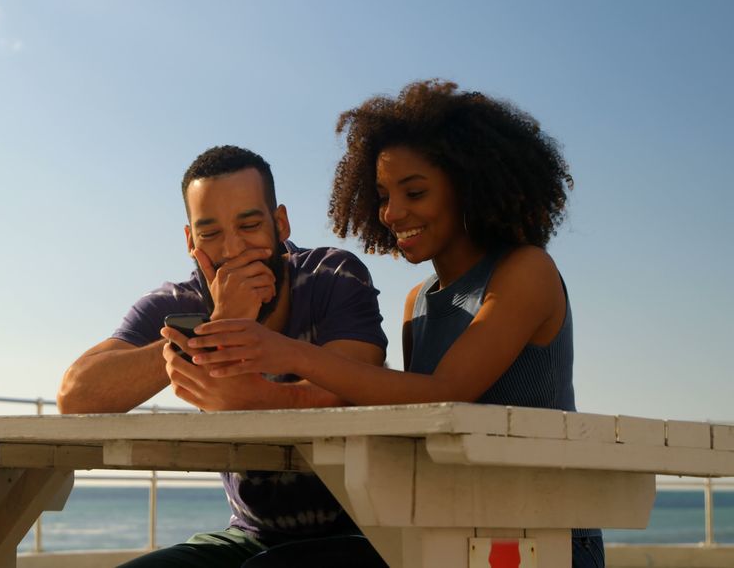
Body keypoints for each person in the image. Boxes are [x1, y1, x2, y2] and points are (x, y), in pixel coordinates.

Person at [174, 81, 605, 567]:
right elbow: (404, 410)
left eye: (414, 192)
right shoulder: (417, 302)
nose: (393, 213)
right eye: (381, 195)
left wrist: (285, 353)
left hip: (541, 541)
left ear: (469, 185)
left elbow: (446, 392)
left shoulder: (526, 271)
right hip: (448, 534)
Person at [58, 145, 391, 566]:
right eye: (210, 233)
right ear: (189, 239)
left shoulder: (334, 276)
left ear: (280, 223)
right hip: (250, 534)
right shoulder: (176, 302)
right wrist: (212, 326)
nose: (232, 250)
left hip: (367, 530)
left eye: (249, 225)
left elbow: (355, 386)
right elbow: (76, 395)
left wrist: (247, 389)